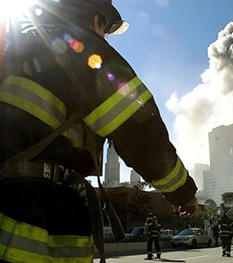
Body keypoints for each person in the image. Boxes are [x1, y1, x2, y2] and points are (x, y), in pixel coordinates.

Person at [0, 1, 198, 262]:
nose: (105, 39)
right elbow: (140, 132)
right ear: (96, 20)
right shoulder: (83, 51)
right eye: (106, 30)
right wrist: (182, 192)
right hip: (37, 211)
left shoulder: (20, 51)